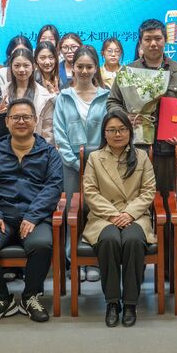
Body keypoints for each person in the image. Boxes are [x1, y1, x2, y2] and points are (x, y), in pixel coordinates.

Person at [0, 98, 62, 323]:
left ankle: (31, 296)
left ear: (35, 120)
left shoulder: (49, 153)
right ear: (7, 121)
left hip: (35, 218)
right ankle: (2, 298)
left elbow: (53, 187)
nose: (21, 122)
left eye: (26, 117)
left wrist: (33, 216)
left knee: (41, 244)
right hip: (2, 217)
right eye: (16, 118)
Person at [108, 18, 177, 228]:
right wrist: (124, 118)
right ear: (140, 42)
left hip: (171, 149)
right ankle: (142, 238)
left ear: (165, 40)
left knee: (169, 200)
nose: (153, 44)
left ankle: (169, 241)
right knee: (138, 198)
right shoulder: (128, 71)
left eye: (158, 38)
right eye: (148, 39)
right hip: (137, 148)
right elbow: (112, 102)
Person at [82, 110, 157, 327]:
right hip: (104, 216)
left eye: (122, 129)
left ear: (130, 132)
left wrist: (129, 213)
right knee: (109, 240)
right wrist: (114, 215)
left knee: (133, 240)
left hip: (135, 215)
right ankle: (112, 302)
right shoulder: (95, 158)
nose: (117, 134)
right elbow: (90, 192)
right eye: (112, 130)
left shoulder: (141, 156)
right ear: (104, 133)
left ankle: (131, 303)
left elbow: (149, 191)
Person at [53, 46, 110, 282]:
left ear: (96, 68)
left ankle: (94, 259)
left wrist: (96, 164)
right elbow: (59, 135)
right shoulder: (63, 97)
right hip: (71, 166)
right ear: (72, 68)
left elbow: (110, 132)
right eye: (80, 66)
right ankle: (73, 259)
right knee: (73, 213)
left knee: (98, 212)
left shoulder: (107, 96)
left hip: (102, 166)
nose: (84, 71)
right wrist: (76, 163)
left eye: (89, 66)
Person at [0, 48, 54, 144]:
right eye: (17, 66)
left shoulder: (44, 96)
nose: (21, 70)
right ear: (11, 67)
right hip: (8, 147)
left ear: (33, 67)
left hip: (37, 148)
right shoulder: (1, 92)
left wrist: (42, 150)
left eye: (26, 65)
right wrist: (0, 115)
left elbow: (48, 131)